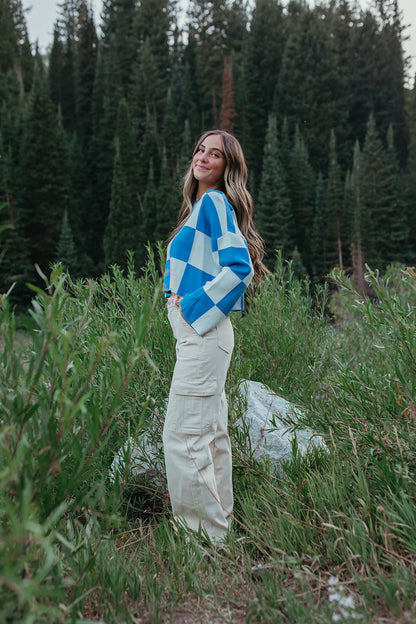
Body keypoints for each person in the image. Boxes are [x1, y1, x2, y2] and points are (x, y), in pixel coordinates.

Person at [162, 129, 267, 541]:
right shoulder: (199, 207)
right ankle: (218, 535)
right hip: (201, 335)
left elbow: (240, 267)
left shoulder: (215, 201)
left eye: (216, 154)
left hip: (202, 332)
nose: (203, 157)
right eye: (200, 150)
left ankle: (198, 544)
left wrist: (191, 309)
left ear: (228, 167)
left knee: (183, 436)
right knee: (208, 436)